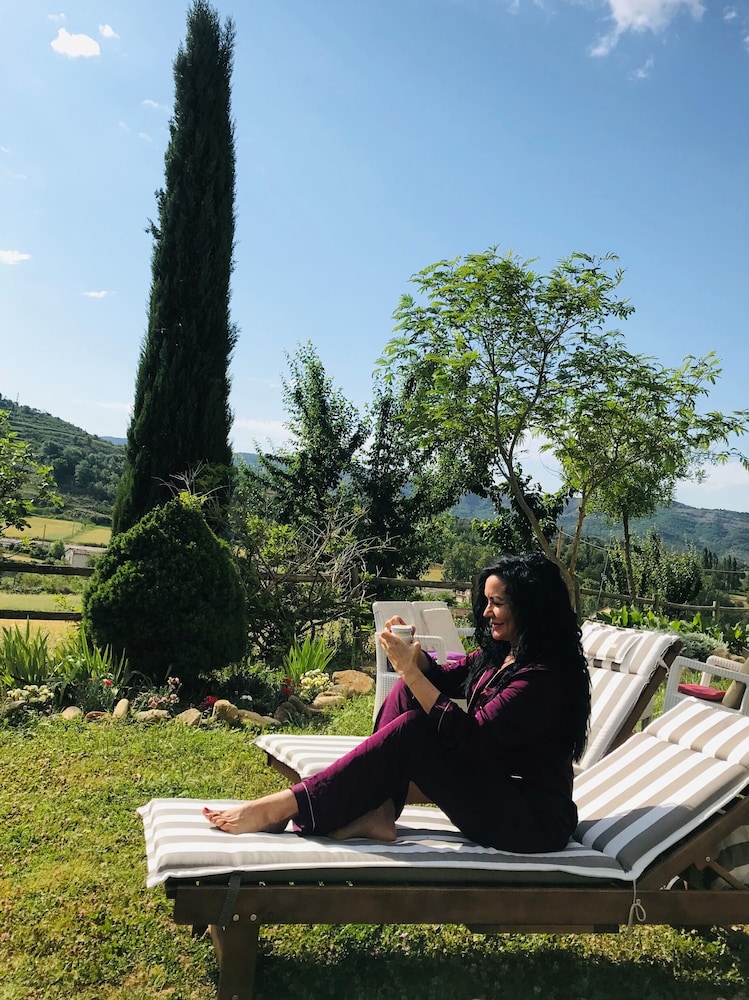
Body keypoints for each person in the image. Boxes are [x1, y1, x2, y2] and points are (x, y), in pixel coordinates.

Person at [203, 552, 591, 852]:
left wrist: (410, 671)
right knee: (406, 692)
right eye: (486, 601)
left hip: (528, 822)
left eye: (498, 603)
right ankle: (379, 809)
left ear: (531, 607)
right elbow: (446, 676)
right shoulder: (504, 653)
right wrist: (414, 659)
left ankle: (283, 807)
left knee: (413, 728)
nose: (487, 612)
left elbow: (473, 740)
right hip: (497, 792)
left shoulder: (545, 676)